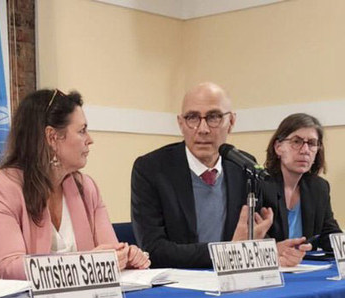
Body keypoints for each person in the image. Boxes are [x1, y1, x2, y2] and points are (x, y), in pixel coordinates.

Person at [0, 88, 150, 279]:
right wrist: (88, 263)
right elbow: (8, 268)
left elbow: (108, 253)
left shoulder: (87, 187)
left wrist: (125, 256)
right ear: (52, 137)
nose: (90, 140)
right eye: (82, 131)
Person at [130, 82, 307, 268]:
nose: (203, 129)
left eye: (214, 117)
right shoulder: (151, 169)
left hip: (233, 279)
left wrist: (273, 250)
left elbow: (249, 238)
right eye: (192, 117)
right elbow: (153, 250)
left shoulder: (243, 166)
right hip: (177, 286)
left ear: (231, 122)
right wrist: (229, 250)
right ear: (181, 124)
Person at [263, 113, 342, 251]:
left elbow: (327, 234)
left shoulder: (319, 188)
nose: (305, 150)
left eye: (311, 143)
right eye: (296, 141)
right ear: (278, 147)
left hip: (304, 268)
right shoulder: (260, 185)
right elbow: (253, 239)